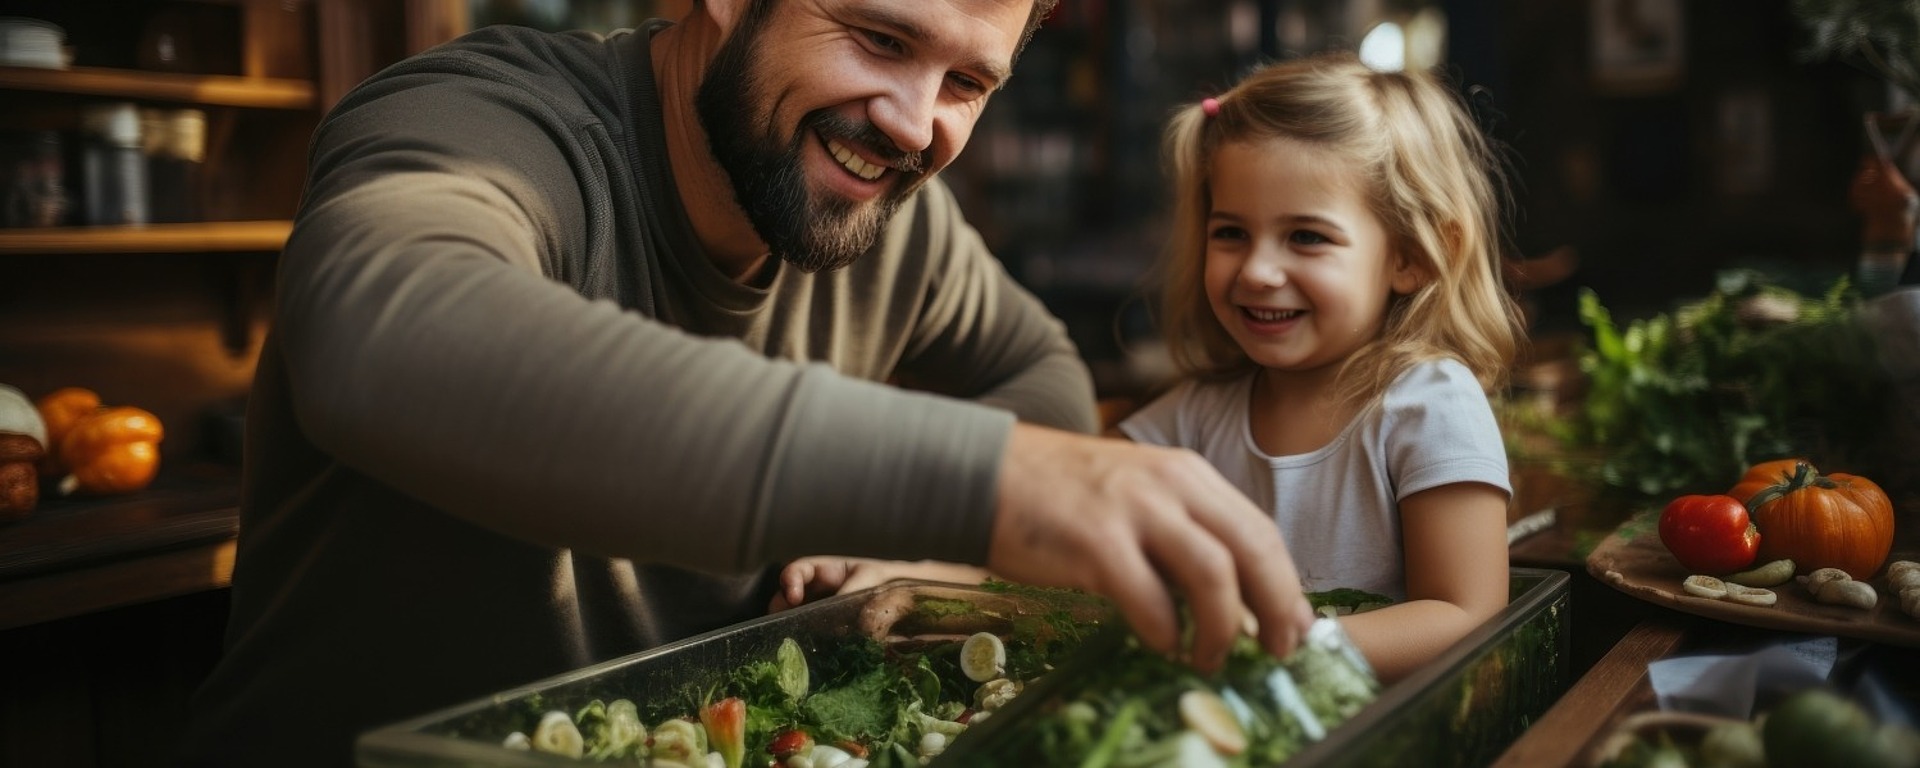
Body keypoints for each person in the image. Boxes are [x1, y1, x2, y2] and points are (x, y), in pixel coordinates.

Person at [179, 1, 1316, 763]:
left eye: (968, 81)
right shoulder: (483, 121)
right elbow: (382, 332)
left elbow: (1036, 372)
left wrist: (931, 552)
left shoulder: (890, 218)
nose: (915, 126)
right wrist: (989, 484)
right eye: (877, 38)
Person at [1120, 52, 1523, 682]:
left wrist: (1278, 649)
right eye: (1230, 233)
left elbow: (1465, 614)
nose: (1256, 271)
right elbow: (1071, 505)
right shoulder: (1196, 414)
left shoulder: (1428, 404)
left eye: (1306, 236)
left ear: (1411, 257)